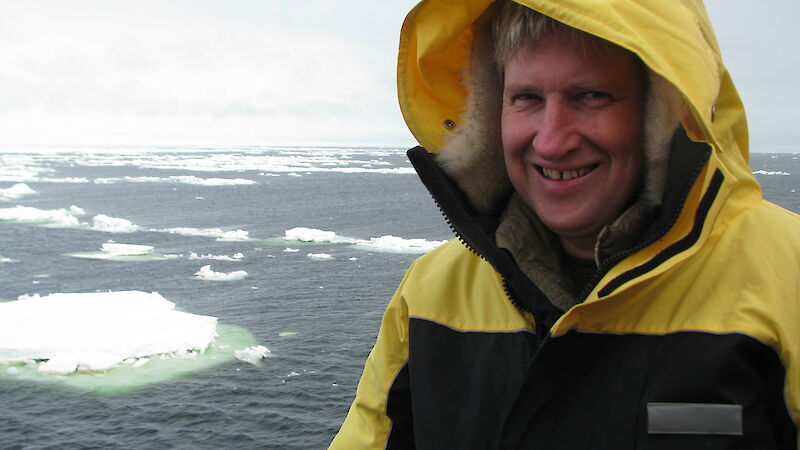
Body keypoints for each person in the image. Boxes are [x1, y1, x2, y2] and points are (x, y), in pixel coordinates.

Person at [331, 0, 800, 448]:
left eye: (591, 96)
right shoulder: (431, 294)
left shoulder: (787, 280)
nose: (552, 142)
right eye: (527, 98)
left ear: (663, 113)